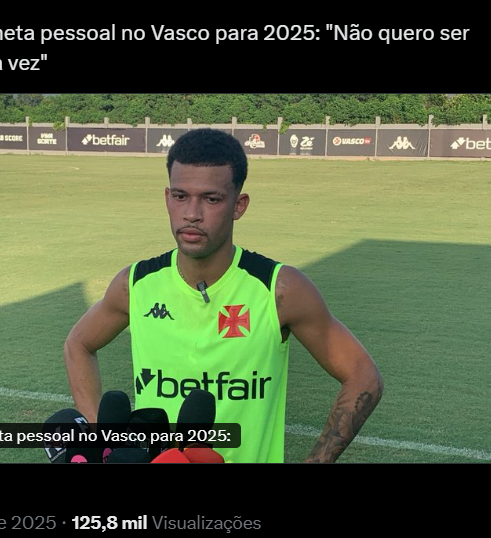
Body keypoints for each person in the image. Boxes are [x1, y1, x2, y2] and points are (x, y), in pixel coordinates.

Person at [63, 128, 383, 462]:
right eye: (181, 196)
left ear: (238, 205)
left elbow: (364, 376)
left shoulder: (279, 289)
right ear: (167, 198)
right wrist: (102, 438)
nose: (192, 213)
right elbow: (78, 344)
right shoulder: (135, 284)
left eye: (211, 199)